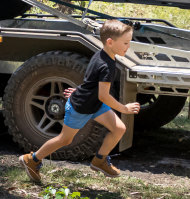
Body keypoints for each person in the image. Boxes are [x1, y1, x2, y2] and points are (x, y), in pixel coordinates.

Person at [19, 19, 141, 182]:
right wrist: (124, 109)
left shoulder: (103, 54)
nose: (129, 46)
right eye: (126, 43)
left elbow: (91, 81)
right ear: (110, 42)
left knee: (119, 129)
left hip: (94, 105)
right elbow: (103, 96)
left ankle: (99, 160)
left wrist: (80, 90)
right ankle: (32, 160)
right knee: (65, 139)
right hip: (81, 107)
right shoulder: (107, 65)